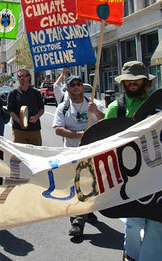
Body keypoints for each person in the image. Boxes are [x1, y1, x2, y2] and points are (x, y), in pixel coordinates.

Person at [104, 61, 162, 261]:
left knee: (157, 222)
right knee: (134, 221)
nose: (133, 83)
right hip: (130, 177)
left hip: (160, 175)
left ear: (145, 81)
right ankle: (131, 255)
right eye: (129, 80)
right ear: (123, 83)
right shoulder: (115, 109)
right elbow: (105, 143)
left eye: (137, 79)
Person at [53, 75, 106, 237]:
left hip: (93, 152)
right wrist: (78, 135)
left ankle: (87, 210)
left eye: (78, 84)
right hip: (73, 153)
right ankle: (77, 220)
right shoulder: (63, 107)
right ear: (67, 89)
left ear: (83, 87)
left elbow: (105, 120)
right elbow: (58, 129)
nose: (76, 87)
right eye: (72, 85)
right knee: (77, 186)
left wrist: (95, 112)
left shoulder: (94, 104)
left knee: (93, 184)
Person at [7, 68, 45, 145]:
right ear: (17, 78)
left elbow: (41, 109)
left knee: (36, 153)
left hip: (34, 129)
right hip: (19, 130)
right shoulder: (13, 93)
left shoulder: (36, 93)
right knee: (19, 154)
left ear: (29, 77)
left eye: (25, 76)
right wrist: (20, 122)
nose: (22, 78)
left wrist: (36, 117)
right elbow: (11, 111)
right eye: (20, 76)